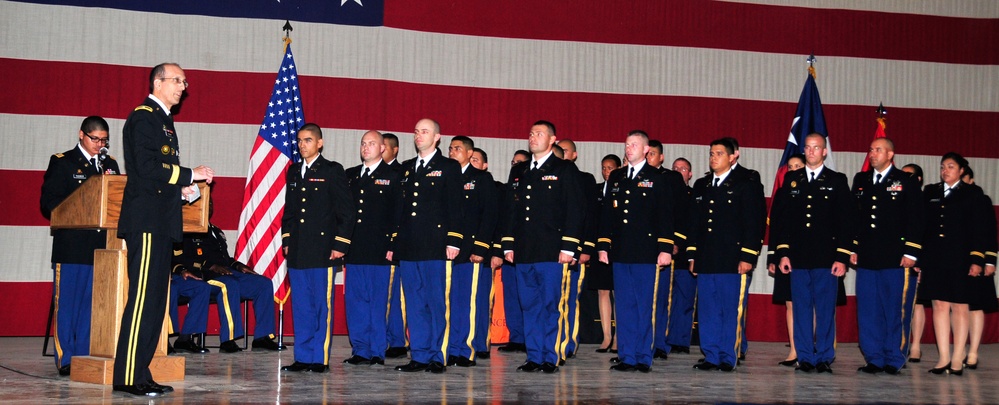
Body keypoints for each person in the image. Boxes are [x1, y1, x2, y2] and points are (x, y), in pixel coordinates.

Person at [113, 63, 214, 397]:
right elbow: (145, 167)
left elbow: (159, 174)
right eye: (177, 80)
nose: (183, 86)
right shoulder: (144, 116)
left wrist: (181, 190)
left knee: (156, 302)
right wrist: (188, 175)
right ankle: (127, 376)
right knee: (143, 300)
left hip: (160, 222)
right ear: (157, 83)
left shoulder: (164, 121)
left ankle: (141, 373)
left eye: (184, 81)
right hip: (145, 223)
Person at [40, 116, 121, 376]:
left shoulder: (110, 165)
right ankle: (66, 358)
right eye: (95, 139)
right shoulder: (63, 162)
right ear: (81, 135)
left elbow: (117, 200)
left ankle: (85, 356)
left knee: (92, 306)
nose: (100, 145)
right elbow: (49, 203)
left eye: (104, 140)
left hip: (102, 248)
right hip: (72, 247)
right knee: (69, 306)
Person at [502, 120, 585, 374]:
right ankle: (534, 355)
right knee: (529, 305)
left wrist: (569, 247)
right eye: (530, 133)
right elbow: (511, 210)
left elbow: (574, 209)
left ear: (552, 140)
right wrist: (508, 243)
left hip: (552, 250)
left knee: (551, 304)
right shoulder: (520, 171)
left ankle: (551, 356)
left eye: (539, 134)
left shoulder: (564, 169)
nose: (533, 137)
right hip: (525, 250)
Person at [771, 134, 853, 373]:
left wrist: (842, 257)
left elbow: (846, 222)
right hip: (797, 257)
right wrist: (782, 253)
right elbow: (782, 220)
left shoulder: (837, 180)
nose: (811, 152)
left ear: (824, 151)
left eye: (816, 148)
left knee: (825, 309)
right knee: (801, 308)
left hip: (827, 258)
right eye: (807, 147)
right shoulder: (792, 179)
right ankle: (805, 356)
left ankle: (825, 356)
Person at [389, 119, 463, 374]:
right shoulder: (407, 169)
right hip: (409, 246)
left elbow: (456, 206)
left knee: (436, 302)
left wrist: (454, 239)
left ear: (438, 137)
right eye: (417, 131)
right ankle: (418, 355)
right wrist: (394, 242)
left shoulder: (449, 167)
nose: (419, 135)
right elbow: (399, 209)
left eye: (425, 132)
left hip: (436, 246)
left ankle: (437, 355)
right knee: (414, 302)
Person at [280, 123, 355, 373]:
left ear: (320, 143)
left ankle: (319, 358)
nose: (302, 145)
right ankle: (302, 356)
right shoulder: (293, 171)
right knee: (301, 306)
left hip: (323, 250)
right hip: (299, 251)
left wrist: (340, 245)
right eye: (300, 141)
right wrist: (288, 241)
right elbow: (289, 211)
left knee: (321, 306)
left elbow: (346, 212)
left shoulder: (332, 170)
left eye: (308, 140)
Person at [597, 131, 673, 373]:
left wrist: (664, 249)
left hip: (646, 252)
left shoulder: (657, 177)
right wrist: (603, 245)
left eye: (634, 145)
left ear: (646, 149)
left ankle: (643, 355)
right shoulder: (617, 176)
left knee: (644, 306)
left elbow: (665, 216)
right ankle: (626, 355)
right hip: (620, 251)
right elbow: (607, 214)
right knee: (625, 306)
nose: (629, 148)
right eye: (627, 144)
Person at [687, 137, 764, 372]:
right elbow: (695, 224)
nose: (713, 157)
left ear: (733, 156)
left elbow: (755, 222)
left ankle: (728, 356)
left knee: (730, 309)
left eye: (719, 153)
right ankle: (711, 355)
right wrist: (693, 256)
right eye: (711, 153)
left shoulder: (746, 182)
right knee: (708, 309)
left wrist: (748, 256)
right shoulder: (702, 185)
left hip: (733, 259)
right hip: (707, 258)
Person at [850, 137, 923, 375]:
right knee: (868, 310)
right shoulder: (861, 180)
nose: (873, 154)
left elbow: (915, 218)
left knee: (894, 309)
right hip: (868, 257)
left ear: (890, 154)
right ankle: (874, 357)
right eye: (871, 150)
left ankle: (894, 356)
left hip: (895, 257)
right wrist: (853, 247)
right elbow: (855, 219)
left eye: (878, 150)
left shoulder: (905, 180)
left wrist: (911, 251)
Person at [172, 196, 283, 353]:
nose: (209, 206)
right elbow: (182, 260)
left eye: (211, 203)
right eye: (204, 203)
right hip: (204, 276)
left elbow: (225, 259)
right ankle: (228, 340)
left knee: (263, 283)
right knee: (229, 285)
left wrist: (238, 265)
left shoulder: (216, 231)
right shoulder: (186, 229)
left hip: (225, 273)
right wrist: (210, 266)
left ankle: (262, 337)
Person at [916, 153, 987, 376]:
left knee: (959, 306)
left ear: (961, 170)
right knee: (938, 305)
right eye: (942, 167)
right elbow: (922, 227)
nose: (945, 171)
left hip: (960, 259)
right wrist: (919, 258)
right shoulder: (931, 192)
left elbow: (979, 230)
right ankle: (943, 357)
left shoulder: (972, 194)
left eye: (950, 166)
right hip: (934, 258)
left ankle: (958, 357)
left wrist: (977, 259)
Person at [343, 130, 401, 366]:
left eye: (372, 144)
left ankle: (377, 350)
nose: (366, 147)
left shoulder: (394, 176)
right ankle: (360, 350)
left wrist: (393, 244)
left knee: (378, 302)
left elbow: (398, 214)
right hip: (355, 249)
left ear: (382, 148)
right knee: (356, 302)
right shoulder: (350, 176)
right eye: (363, 143)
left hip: (380, 250)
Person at [445, 136, 498, 367]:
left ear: (469, 153)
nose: (452, 152)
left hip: (469, 251)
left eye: (457, 148)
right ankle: (449, 346)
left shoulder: (481, 178)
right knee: (449, 302)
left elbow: (489, 216)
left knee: (467, 303)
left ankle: (464, 350)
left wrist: (481, 247)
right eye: (450, 148)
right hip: (446, 252)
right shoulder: (446, 178)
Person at [645, 140, 690, 361]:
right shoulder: (634, 176)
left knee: (661, 297)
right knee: (640, 299)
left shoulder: (671, 179)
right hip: (639, 247)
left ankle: (659, 343)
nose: (649, 157)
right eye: (647, 153)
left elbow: (682, 213)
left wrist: (675, 241)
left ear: (661, 157)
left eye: (652, 154)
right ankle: (640, 343)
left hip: (663, 246)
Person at [556, 138, 598, 363]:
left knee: (570, 297)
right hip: (553, 250)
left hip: (576, 249)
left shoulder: (584, 179)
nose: (561, 154)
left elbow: (588, 214)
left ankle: (569, 342)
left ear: (574, 155)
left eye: (565, 151)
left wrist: (586, 246)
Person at [768, 153, 804, 367]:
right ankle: (794, 349)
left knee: (810, 305)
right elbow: (776, 227)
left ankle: (809, 347)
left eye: (797, 166)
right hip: (786, 255)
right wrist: (773, 256)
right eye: (790, 167)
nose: (793, 170)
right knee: (790, 304)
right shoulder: (782, 193)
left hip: (809, 255)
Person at [496, 149, 533, 355]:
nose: (515, 165)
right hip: (510, 249)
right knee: (511, 295)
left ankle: (530, 338)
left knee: (528, 297)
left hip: (529, 250)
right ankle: (516, 337)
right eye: (513, 161)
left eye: (520, 162)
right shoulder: (507, 189)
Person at [964, 167, 998, 371]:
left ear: (971, 179)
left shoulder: (981, 199)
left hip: (978, 259)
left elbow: (989, 231)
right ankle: (958, 350)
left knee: (975, 306)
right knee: (956, 306)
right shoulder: (949, 198)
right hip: (957, 261)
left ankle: (973, 352)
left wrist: (990, 260)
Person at [380, 132, 408, 359]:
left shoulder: (402, 173)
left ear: (395, 149)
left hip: (395, 243)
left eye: (385, 147)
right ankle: (381, 339)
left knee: (395, 295)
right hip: (374, 246)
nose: (380, 150)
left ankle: (397, 341)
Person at [589, 154, 621, 353]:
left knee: (619, 292)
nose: (606, 171)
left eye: (610, 167)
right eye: (603, 167)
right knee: (603, 291)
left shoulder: (622, 188)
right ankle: (606, 335)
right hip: (600, 247)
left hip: (618, 246)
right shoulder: (597, 190)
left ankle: (619, 337)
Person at [665, 157, 696, 355]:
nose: (678, 171)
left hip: (685, 255)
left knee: (684, 299)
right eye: (675, 168)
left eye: (683, 168)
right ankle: (662, 339)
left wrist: (679, 243)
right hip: (664, 253)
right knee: (662, 299)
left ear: (690, 174)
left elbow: (691, 224)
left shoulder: (694, 195)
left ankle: (680, 340)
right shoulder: (665, 193)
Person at [901, 163, 927, 362]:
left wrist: (921, 258)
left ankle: (915, 345)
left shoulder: (925, 199)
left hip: (918, 258)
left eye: (908, 176)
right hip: (896, 258)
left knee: (916, 304)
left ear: (918, 180)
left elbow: (927, 233)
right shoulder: (897, 198)